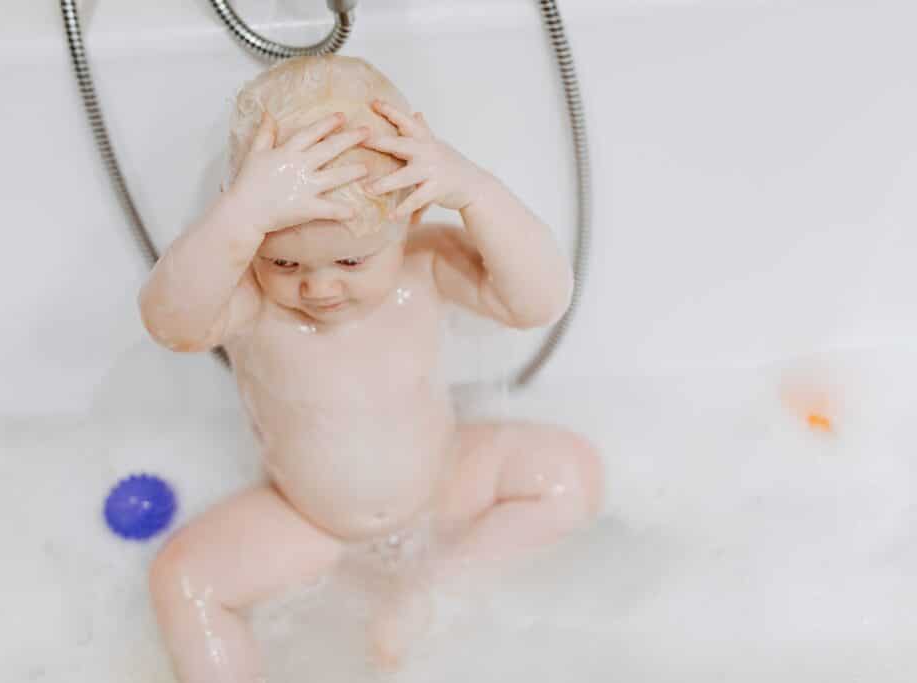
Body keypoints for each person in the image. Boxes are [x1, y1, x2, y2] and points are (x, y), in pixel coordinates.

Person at [139, 55, 602, 683]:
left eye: (352, 263)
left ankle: (433, 592)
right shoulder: (248, 302)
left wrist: (476, 191)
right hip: (307, 517)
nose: (320, 288)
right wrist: (240, 217)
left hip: (442, 484)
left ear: (409, 217)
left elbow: (540, 301)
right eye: (285, 264)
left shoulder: (426, 265)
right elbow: (171, 323)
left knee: (569, 473)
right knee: (183, 580)